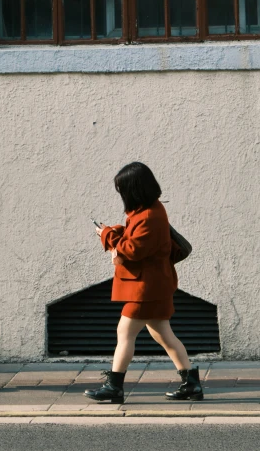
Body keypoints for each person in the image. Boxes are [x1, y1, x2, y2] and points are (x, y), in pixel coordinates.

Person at [85, 162, 203, 404]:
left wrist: (107, 234)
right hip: (155, 285)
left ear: (135, 189)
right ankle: (191, 384)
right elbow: (136, 242)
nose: (121, 194)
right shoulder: (149, 210)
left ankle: (114, 387)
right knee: (164, 335)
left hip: (146, 288)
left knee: (125, 332)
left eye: (123, 189)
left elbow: (132, 249)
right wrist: (115, 232)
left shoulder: (149, 215)